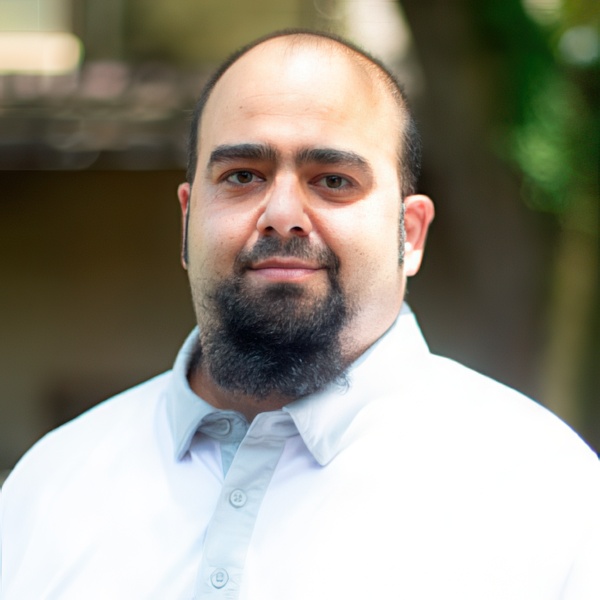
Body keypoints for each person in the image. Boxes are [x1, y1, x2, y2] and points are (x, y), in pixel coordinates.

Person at [1, 29, 598, 600]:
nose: (282, 212)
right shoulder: (50, 486)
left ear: (409, 234)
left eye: (333, 180)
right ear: (187, 225)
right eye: (242, 176)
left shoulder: (547, 495)